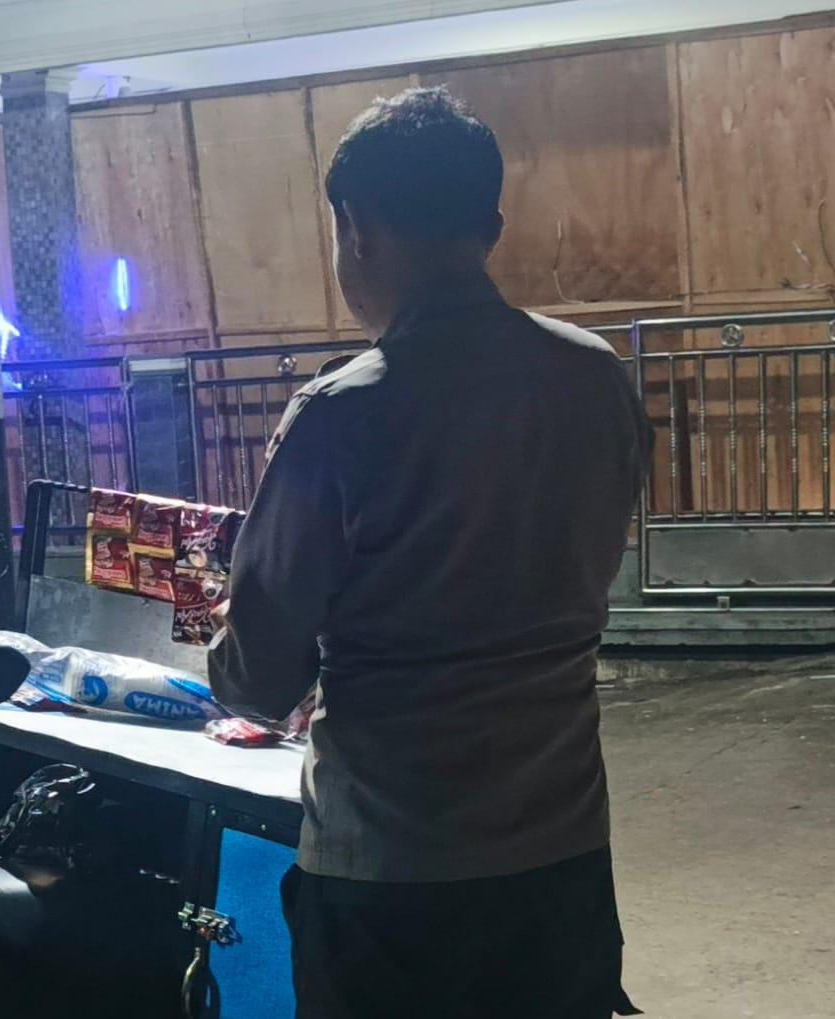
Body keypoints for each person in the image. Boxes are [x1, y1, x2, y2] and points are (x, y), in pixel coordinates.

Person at [208, 88, 647, 1018]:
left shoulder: (340, 414)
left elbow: (257, 682)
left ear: (355, 230)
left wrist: (229, 610)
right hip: (562, 860)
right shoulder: (595, 377)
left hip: (391, 877)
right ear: (490, 227)